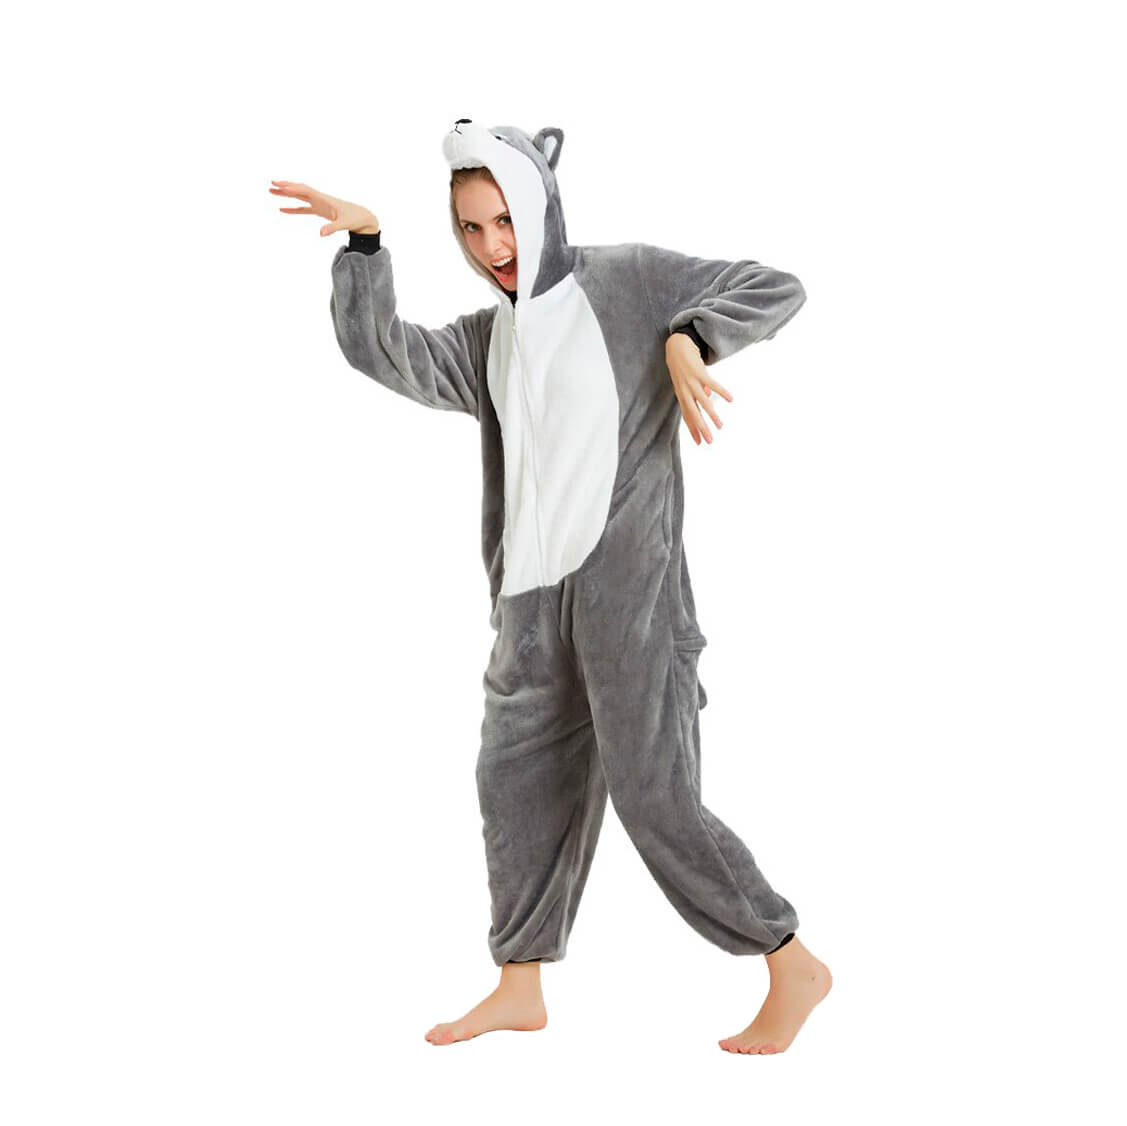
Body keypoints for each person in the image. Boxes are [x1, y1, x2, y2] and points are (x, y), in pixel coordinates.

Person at [269, 120, 832, 1054]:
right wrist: (366, 246)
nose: (491, 246)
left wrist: (689, 336)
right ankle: (519, 984)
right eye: (470, 228)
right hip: (528, 609)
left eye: (504, 221)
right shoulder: (486, 339)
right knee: (512, 785)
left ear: (539, 207)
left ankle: (788, 958)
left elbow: (775, 286)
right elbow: (386, 353)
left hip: (630, 602)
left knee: (657, 800)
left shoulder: (627, 282)